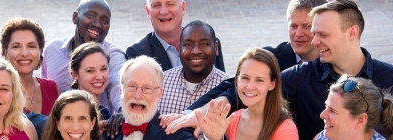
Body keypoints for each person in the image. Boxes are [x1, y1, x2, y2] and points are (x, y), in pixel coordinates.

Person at [164, 0, 393, 139]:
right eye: (314, 34)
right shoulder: (303, 75)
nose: (313, 42)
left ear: (352, 33)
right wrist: (195, 113)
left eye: (322, 35)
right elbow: (241, 89)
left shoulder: (389, 77)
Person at [195, 48, 298, 140]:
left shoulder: (285, 129)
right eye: (245, 78)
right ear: (237, 79)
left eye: (259, 80)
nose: (249, 87)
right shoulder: (233, 119)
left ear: (272, 84)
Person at [42, 0, 125, 113]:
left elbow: (117, 83)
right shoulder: (52, 49)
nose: (97, 24)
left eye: (105, 20)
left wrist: (122, 110)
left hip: (99, 127)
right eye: (90, 15)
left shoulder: (114, 54)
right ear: (75, 17)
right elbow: (44, 91)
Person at [103, 55, 195, 140]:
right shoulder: (103, 134)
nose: (138, 96)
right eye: (132, 86)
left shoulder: (177, 135)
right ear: (121, 90)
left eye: (147, 88)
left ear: (159, 94)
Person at [0, 17, 59, 138]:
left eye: (31, 46)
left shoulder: (51, 87)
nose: (25, 53)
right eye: (16, 46)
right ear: (5, 52)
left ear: (40, 50)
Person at [125, 0, 225, 72]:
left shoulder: (210, 43)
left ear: (183, 8)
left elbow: (223, 86)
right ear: (147, 11)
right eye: (156, 5)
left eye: (170, 3)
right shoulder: (137, 53)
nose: (163, 11)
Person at [158, 20, 229, 115]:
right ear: (179, 49)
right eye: (188, 45)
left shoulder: (229, 88)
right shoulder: (160, 83)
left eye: (204, 44)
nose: (196, 51)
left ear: (215, 47)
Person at [314, 76, 393, 140]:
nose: (322, 115)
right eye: (326, 106)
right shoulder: (321, 137)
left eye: (332, 111)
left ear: (360, 120)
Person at [70, 42, 113, 120]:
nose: (99, 77)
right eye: (90, 71)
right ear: (75, 74)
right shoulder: (67, 110)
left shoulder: (105, 113)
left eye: (103, 69)